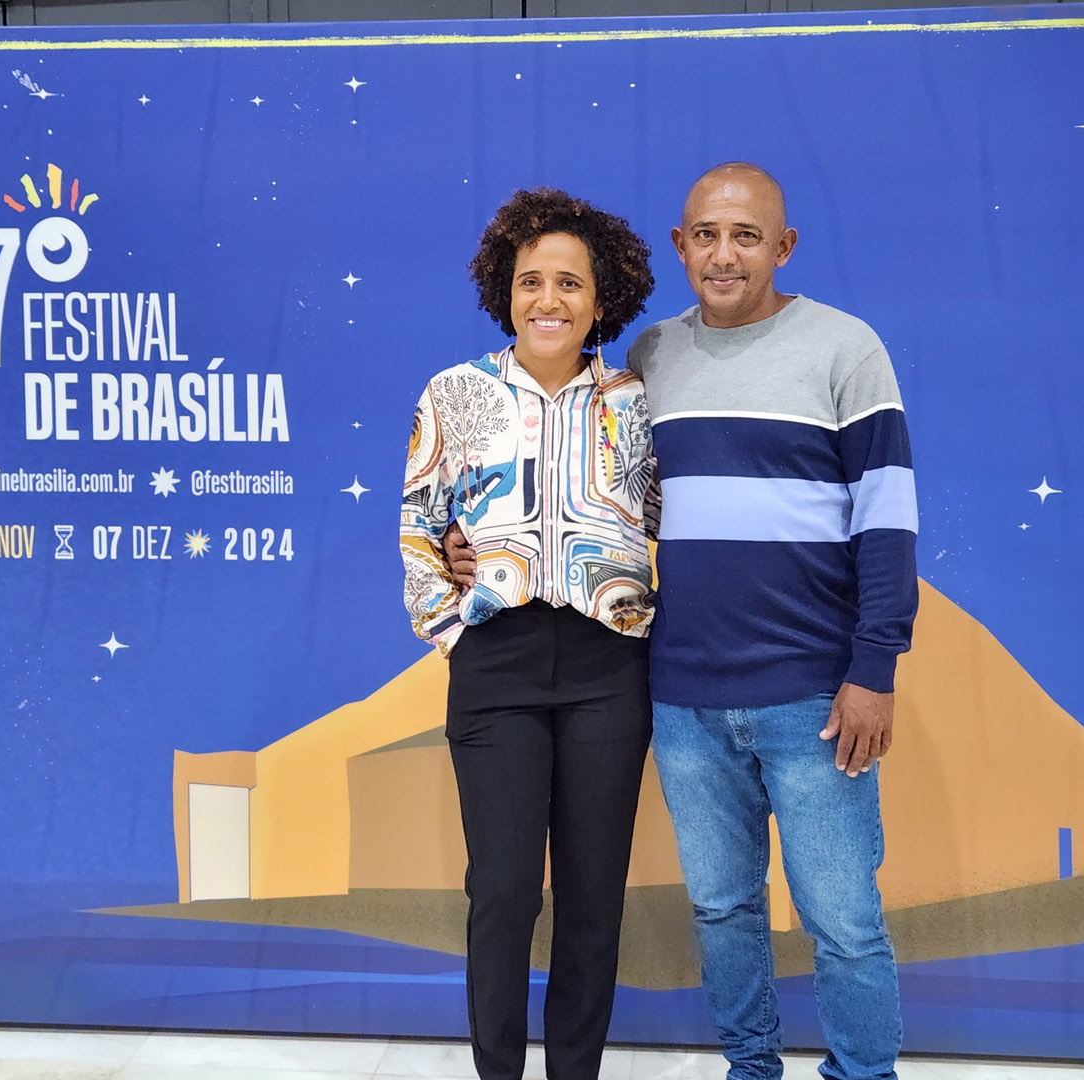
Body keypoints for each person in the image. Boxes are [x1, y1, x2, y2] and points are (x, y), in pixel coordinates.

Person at [445, 163, 918, 1080]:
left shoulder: (845, 349)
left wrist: (875, 667)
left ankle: (863, 1074)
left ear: (784, 247)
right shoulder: (650, 362)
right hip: (685, 694)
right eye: (706, 234)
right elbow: (602, 502)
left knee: (843, 920)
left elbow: (888, 518)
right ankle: (751, 1069)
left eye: (747, 235)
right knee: (723, 911)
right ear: (680, 245)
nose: (724, 254)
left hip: (814, 693)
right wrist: (474, 545)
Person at [400, 187, 658, 1080]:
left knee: (593, 898)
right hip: (497, 664)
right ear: (503, 292)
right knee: (504, 891)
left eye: (570, 283)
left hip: (607, 667)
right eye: (530, 282)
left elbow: (666, 518)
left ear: (603, 296)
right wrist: (454, 628)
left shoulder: (636, 401)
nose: (549, 300)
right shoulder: (455, 394)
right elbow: (419, 527)